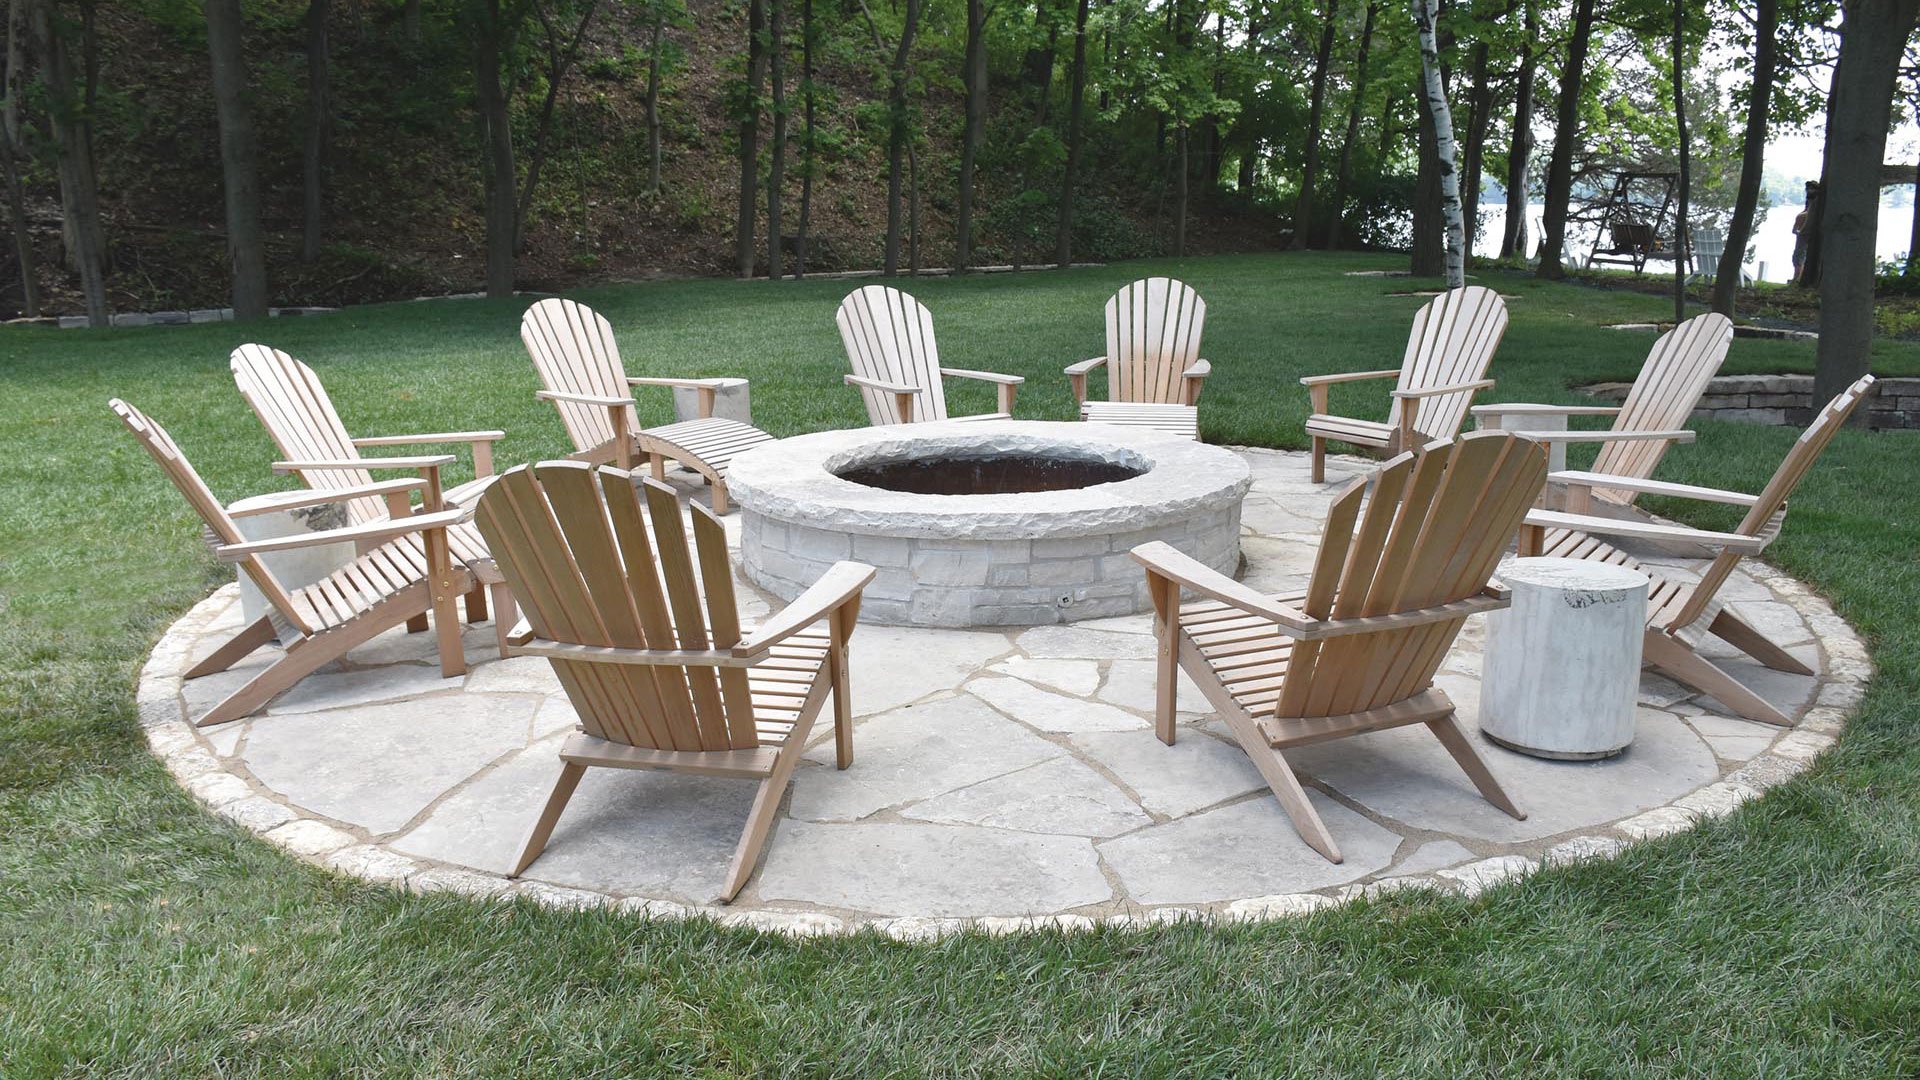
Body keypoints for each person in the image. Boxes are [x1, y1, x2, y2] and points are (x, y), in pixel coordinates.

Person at [1792, 180, 1821, 283]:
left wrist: (1799, 230)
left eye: (1810, 189)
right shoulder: (1812, 202)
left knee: (1799, 257)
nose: (1808, 191)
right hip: (1803, 234)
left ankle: (1797, 278)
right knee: (1799, 257)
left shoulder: (1816, 202)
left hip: (1805, 234)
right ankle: (1798, 278)